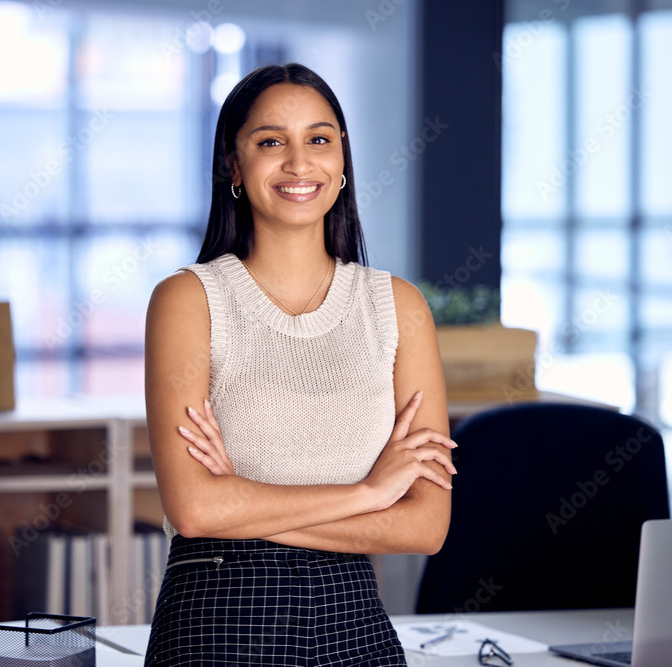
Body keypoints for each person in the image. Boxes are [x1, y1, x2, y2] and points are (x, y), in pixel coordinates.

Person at [143, 62, 455, 666]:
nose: (298, 162)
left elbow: (424, 527)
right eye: (269, 142)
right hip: (216, 621)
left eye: (319, 139)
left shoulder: (397, 306)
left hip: (355, 624)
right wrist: (369, 492)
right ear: (234, 165)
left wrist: (241, 501)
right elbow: (194, 510)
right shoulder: (188, 301)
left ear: (342, 161)